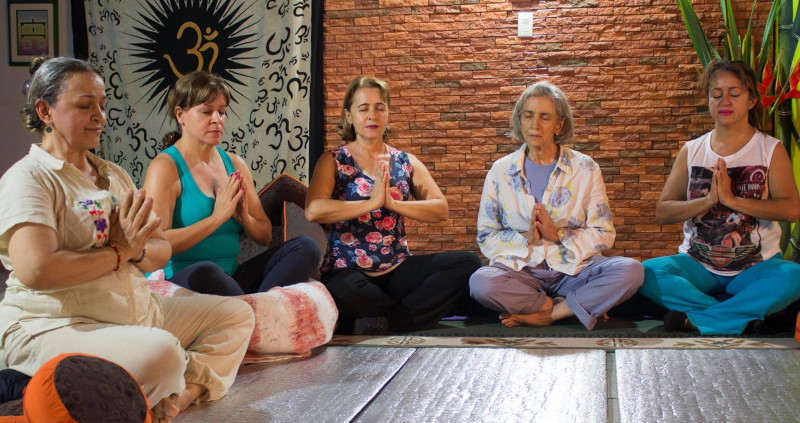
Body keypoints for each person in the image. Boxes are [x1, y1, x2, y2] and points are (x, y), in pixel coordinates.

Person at [0, 57, 255, 423]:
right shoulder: (30, 178)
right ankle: (42, 388)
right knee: (162, 353)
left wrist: (135, 250)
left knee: (236, 315)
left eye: (102, 105)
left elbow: (159, 248)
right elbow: (37, 269)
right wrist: (120, 251)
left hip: (134, 312)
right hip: (57, 323)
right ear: (45, 111)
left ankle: (184, 392)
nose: (100, 117)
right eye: (85, 106)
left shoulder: (113, 175)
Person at [305, 75, 482, 334]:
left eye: (380, 107)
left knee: (467, 262)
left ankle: (383, 320)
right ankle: (408, 314)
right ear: (349, 116)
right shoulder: (333, 160)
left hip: (397, 268)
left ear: (388, 113)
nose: (372, 115)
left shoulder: (405, 161)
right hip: (348, 271)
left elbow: (440, 209)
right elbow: (314, 210)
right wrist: (371, 203)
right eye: (363, 108)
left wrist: (391, 203)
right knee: (343, 290)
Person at [639, 59, 800, 334]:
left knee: (794, 276)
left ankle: (701, 318)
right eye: (716, 94)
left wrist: (732, 200)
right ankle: (738, 315)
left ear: (751, 100)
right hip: (697, 265)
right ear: (708, 100)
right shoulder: (691, 151)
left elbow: (791, 210)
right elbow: (663, 211)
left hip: (756, 265)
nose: (725, 101)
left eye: (734, 93)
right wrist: (709, 200)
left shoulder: (770, 149)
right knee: (646, 273)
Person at [469, 81, 644, 330]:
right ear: (520, 120)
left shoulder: (586, 168)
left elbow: (604, 233)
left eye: (545, 117)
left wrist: (558, 236)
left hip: (575, 270)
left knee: (632, 271)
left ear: (559, 124)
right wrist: (526, 239)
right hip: (522, 272)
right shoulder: (500, 170)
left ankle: (548, 315)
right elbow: (486, 236)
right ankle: (565, 307)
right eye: (528, 115)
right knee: (481, 283)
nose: (535, 124)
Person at [143, 71, 320, 295]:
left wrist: (245, 218)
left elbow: (264, 236)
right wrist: (217, 218)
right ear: (181, 115)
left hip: (231, 279)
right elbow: (155, 243)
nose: (216, 119)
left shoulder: (235, 164)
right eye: (206, 111)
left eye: (222, 111)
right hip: (186, 279)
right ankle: (254, 307)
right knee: (207, 271)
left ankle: (250, 306)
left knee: (306, 247)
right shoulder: (165, 167)